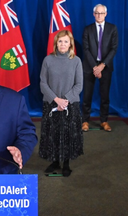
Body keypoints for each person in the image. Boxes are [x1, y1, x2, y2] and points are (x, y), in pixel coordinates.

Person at [39, 30, 83, 177]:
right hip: (52, 104)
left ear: (70, 43)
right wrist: (56, 100)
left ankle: (66, 164)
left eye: (65, 41)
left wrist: (65, 101)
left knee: (67, 135)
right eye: (60, 41)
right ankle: (55, 162)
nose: (62, 44)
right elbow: (43, 84)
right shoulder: (48, 60)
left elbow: (79, 85)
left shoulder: (76, 61)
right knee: (53, 133)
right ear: (55, 43)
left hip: (70, 105)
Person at [82, 4, 118, 132]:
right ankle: (85, 120)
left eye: (101, 13)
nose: (99, 15)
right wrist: (95, 67)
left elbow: (114, 49)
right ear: (93, 14)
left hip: (106, 67)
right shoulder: (87, 29)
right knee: (87, 95)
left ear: (106, 14)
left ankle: (104, 121)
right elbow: (85, 49)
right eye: (97, 13)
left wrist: (102, 66)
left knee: (105, 96)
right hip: (89, 66)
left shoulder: (112, 28)